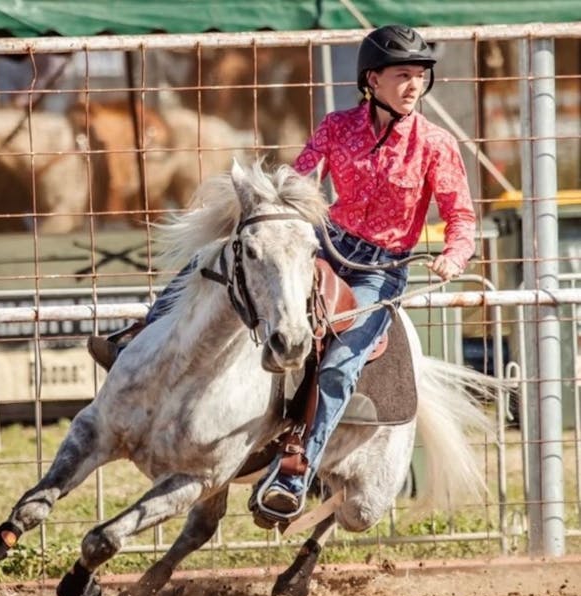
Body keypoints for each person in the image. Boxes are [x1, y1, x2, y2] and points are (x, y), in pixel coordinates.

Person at [87, 24, 476, 525]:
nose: (414, 85)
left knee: (340, 363)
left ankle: (297, 468)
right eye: (403, 74)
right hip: (322, 245)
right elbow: (300, 179)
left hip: (378, 271)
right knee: (212, 262)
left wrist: (454, 255)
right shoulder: (337, 128)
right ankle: (137, 335)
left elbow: (461, 216)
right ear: (371, 80)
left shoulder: (436, 145)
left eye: (421, 76)